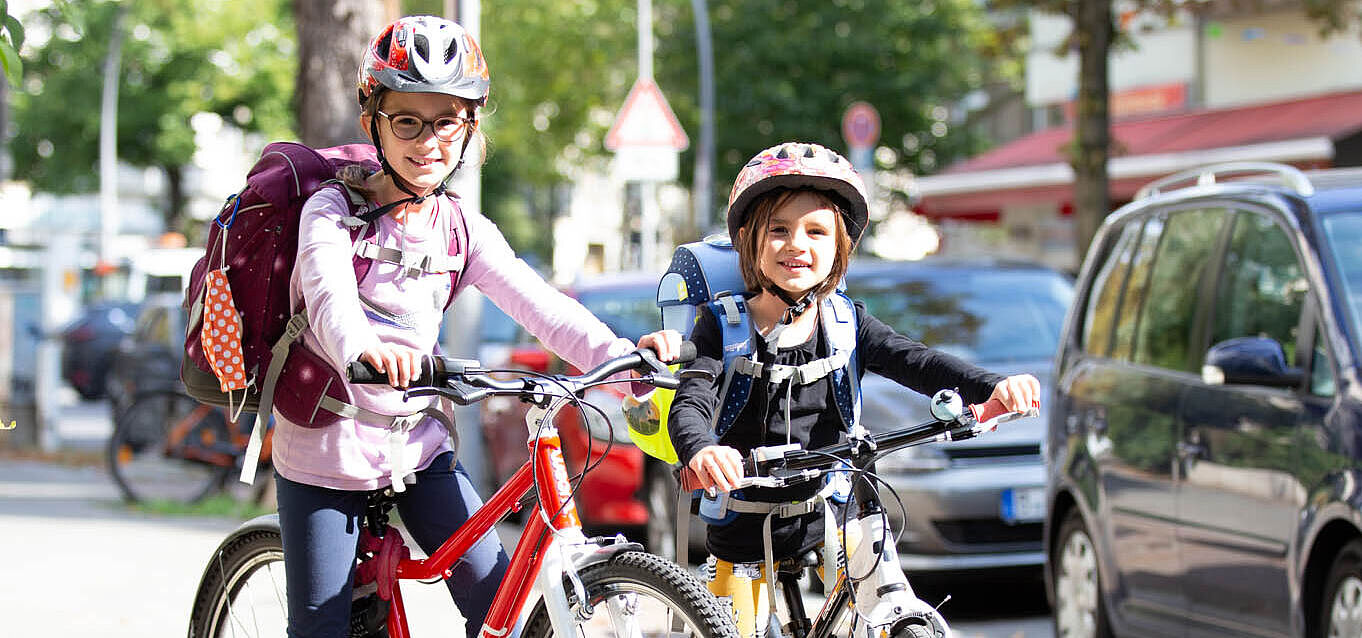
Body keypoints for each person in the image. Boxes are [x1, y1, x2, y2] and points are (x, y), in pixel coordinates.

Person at [273, 16, 682, 638]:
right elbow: (330, 298)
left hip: (416, 446)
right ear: (372, 123)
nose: (427, 140)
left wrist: (626, 361)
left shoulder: (462, 228)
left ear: (469, 127)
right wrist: (365, 348)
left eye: (447, 121)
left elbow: (542, 307)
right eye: (406, 121)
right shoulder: (332, 211)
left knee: (499, 606)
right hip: (325, 449)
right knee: (321, 628)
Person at [667, 142, 1041, 636]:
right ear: (748, 241)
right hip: (744, 524)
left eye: (816, 231)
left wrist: (994, 387)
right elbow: (691, 400)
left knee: (888, 606)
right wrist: (702, 450)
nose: (796, 244)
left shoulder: (846, 323)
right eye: (778, 230)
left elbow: (918, 362)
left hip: (833, 512)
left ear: (839, 248)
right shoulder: (722, 327)